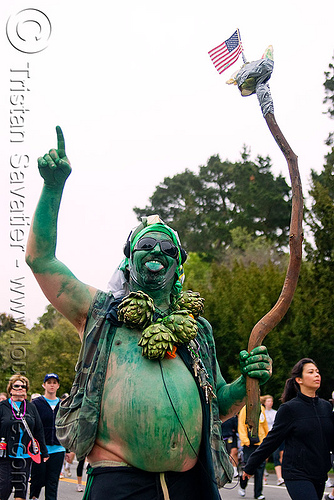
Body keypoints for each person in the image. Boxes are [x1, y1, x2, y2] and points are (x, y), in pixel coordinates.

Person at [25, 127, 272, 500]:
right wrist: (53, 187)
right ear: (129, 260)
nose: (156, 252)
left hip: (191, 483)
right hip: (119, 481)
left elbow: (218, 403)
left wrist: (247, 382)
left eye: (167, 249)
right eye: (146, 246)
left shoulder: (197, 329)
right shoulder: (101, 313)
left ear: (177, 267)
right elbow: (40, 259)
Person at [243, 358, 334, 500]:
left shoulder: (326, 407)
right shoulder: (290, 409)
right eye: (311, 372)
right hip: (297, 473)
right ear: (299, 379)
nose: (317, 375)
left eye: (317, 372)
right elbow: (272, 440)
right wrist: (250, 465)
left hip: (320, 473)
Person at [0, 374, 48, 500]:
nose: (20, 388)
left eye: (23, 386)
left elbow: (38, 430)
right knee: (4, 487)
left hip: (25, 455)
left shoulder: (31, 407)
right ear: (10, 389)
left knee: (21, 489)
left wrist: (44, 451)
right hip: (5, 454)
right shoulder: (3, 407)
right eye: (17, 386)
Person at [29, 374, 66, 500]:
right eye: (49, 382)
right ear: (44, 385)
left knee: (52, 482)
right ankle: (33, 497)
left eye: (54, 382)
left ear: (58, 386)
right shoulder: (36, 404)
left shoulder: (63, 405)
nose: (52, 385)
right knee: (37, 480)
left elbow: (67, 426)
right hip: (39, 450)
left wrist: (69, 449)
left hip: (58, 449)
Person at [238, 403, 268, 499]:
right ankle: (242, 486)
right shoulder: (245, 408)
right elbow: (241, 424)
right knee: (248, 466)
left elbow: (264, 424)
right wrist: (244, 439)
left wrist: (267, 438)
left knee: (260, 467)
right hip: (249, 443)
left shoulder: (261, 408)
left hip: (260, 441)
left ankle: (258, 493)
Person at [261, 394, 284, 485]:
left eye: (271, 401)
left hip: (275, 437)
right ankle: (262, 476)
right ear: (265, 403)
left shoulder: (275, 412)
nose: (270, 403)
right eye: (268, 401)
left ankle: (279, 477)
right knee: (264, 457)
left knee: (277, 456)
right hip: (265, 437)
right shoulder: (262, 412)